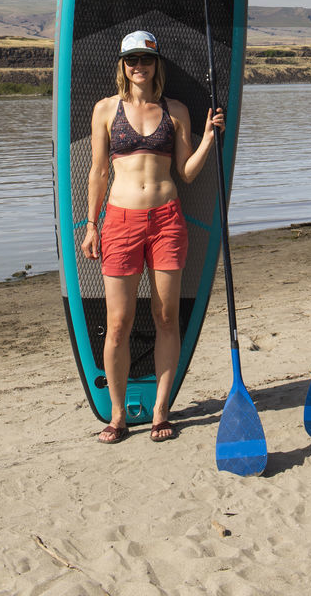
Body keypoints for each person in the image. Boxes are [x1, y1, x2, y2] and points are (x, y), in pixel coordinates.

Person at [81, 29, 224, 444]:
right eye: (131, 60)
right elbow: (98, 172)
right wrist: (91, 225)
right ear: (122, 66)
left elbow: (187, 172)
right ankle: (118, 414)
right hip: (120, 221)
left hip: (166, 220)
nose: (138, 66)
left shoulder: (176, 109)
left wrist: (210, 138)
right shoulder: (106, 110)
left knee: (165, 317)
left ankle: (162, 410)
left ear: (156, 64)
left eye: (145, 59)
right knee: (119, 322)